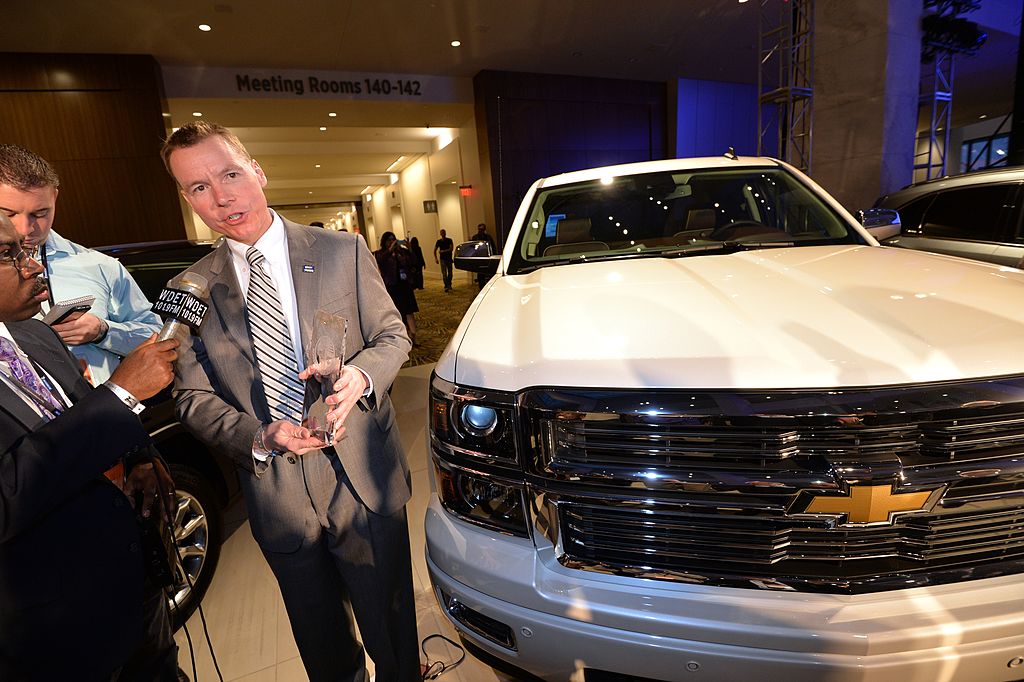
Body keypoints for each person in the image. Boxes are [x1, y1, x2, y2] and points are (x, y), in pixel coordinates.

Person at [161, 121, 419, 682]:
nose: (221, 195)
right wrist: (258, 434)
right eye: (199, 187)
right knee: (324, 650)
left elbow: (393, 337)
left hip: (362, 478)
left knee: (393, 638)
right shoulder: (189, 289)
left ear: (257, 171)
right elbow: (191, 398)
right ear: (187, 199)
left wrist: (360, 376)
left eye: (229, 174)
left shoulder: (342, 250)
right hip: (276, 492)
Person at [0, 213, 182, 680]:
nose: (34, 266)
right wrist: (120, 394)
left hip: (132, 588)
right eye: (9, 255)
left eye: (26, 249)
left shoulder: (35, 333)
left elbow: (85, 416)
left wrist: (141, 456)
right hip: (52, 628)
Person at [0, 144, 163, 386]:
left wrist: (104, 332)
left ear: (55, 197)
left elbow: (158, 339)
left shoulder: (101, 267)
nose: (25, 229)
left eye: (40, 213)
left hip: (107, 415)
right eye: (8, 213)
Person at [374, 232, 419, 345]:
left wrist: (409, 250)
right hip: (392, 286)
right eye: (389, 240)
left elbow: (413, 262)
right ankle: (404, 337)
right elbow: (381, 261)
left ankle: (414, 336)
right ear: (384, 242)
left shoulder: (402, 252)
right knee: (397, 313)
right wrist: (390, 251)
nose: (392, 242)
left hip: (405, 285)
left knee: (409, 311)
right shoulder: (380, 253)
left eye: (393, 239)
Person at [473, 222, 497, 290]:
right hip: (479, 258)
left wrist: (494, 255)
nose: (481, 231)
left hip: (488, 258)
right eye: (480, 229)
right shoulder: (475, 237)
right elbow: (473, 248)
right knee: (480, 275)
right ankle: (481, 289)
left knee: (489, 274)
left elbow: (493, 246)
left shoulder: (488, 237)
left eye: (482, 229)